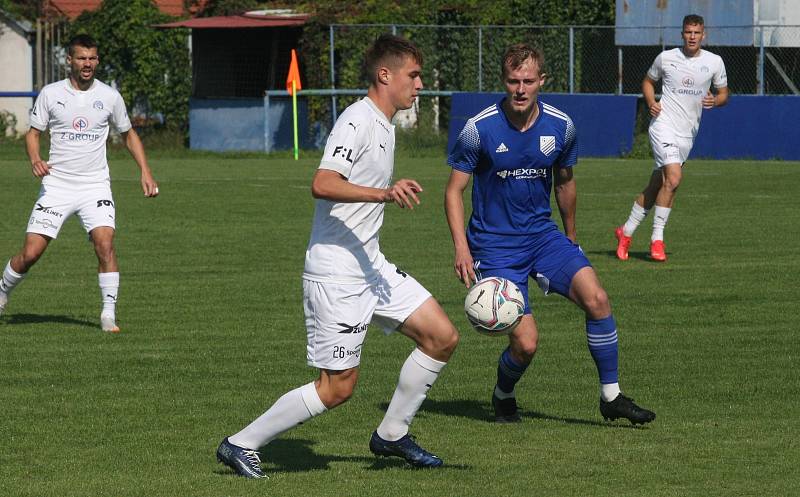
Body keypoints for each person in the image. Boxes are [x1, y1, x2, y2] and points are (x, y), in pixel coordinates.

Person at [216, 34, 459, 479]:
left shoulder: (384, 124)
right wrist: (383, 193)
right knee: (337, 388)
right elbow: (323, 182)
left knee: (441, 336)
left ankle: (392, 433)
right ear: (385, 75)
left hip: (371, 265)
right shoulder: (357, 121)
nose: (420, 85)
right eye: (414, 75)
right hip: (336, 273)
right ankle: (240, 443)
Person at [445, 43, 655, 426]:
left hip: (543, 237)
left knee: (597, 298)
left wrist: (571, 236)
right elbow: (453, 191)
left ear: (542, 80)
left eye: (528, 80)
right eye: (513, 81)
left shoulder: (561, 126)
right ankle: (503, 393)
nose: (520, 89)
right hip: (494, 246)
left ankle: (611, 395)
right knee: (526, 344)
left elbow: (565, 183)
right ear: (504, 82)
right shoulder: (479, 129)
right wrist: (461, 248)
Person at [0, 34, 159, 332]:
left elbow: (128, 134)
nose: (87, 64)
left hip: (95, 185)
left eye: (92, 58)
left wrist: (145, 171)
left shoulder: (110, 96)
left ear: (97, 61)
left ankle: (108, 314)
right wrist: (35, 158)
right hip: (57, 185)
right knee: (31, 253)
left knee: (105, 244)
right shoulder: (50, 93)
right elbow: (33, 133)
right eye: (81, 58)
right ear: (69, 61)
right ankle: (2, 291)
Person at [615, 14, 728, 262]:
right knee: (674, 178)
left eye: (697, 33)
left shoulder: (714, 62)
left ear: (703, 34)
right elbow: (647, 81)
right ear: (682, 34)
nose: (692, 37)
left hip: (687, 133)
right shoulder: (666, 58)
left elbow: (723, 94)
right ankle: (657, 240)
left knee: (660, 183)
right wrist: (650, 101)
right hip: (663, 126)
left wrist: (715, 100)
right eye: (688, 32)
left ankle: (626, 231)